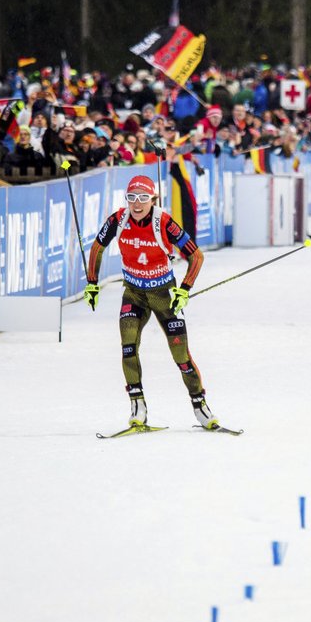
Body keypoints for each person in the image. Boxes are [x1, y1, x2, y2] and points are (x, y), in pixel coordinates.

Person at [83, 175, 219, 431]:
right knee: (128, 347)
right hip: (133, 293)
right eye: (132, 197)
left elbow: (196, 256)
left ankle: (200, 406)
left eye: (143, 198)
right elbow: (97, 247)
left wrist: (185, 289)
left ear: (153, 199)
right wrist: (92, 282)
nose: (137, 204)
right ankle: (138, 408)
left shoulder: (163, 221)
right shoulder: (118, 219)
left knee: (181, 355)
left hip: (163, 295)